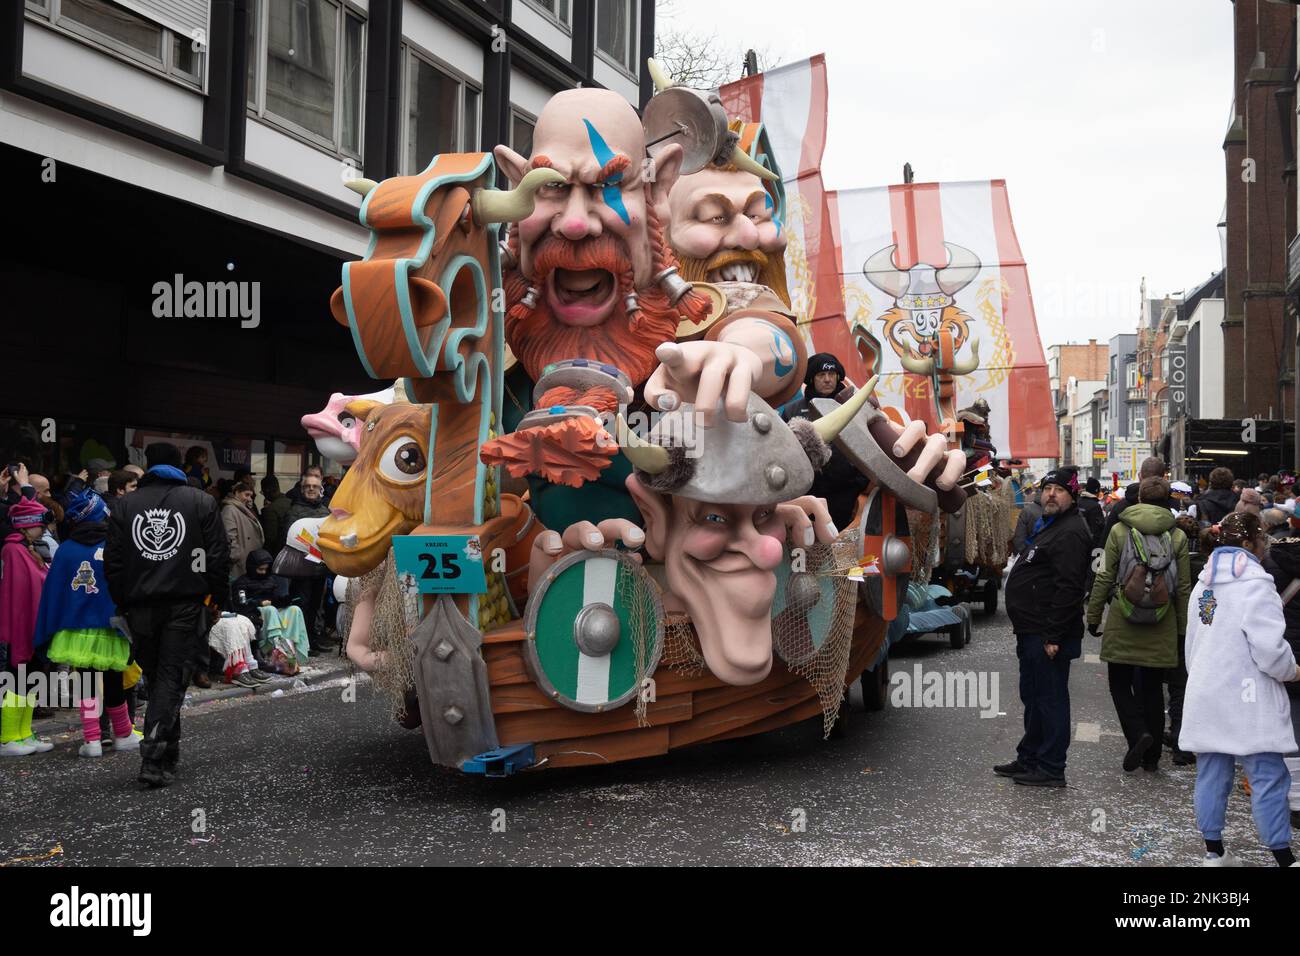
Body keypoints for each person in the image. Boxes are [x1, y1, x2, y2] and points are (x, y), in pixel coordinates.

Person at [105, 442, 230, 788]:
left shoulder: (124, 505)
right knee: (171, 678)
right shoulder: (201, 501)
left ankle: (166, 752)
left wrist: (123, 604)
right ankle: (154, 755)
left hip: (140, 607)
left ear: (149, 466)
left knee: (161, 677)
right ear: (178, 466)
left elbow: (113, 565)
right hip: (186, 605)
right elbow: (218, 557)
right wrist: (219, 598)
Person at [1180, 512, 1300, 867]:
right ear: (1250, 544)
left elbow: (1193, 643)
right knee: (1266, 773)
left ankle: (1214, 852)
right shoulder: (1256, 585)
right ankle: (1284, 858)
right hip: (1249, 697)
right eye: (1262, 540)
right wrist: (1291, 670)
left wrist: (1201, 677)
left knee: (1212, 772)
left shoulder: (1204, 584)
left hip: (1207, 689)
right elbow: (1269, 651)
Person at [997, 466, 1093, 787]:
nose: (1051, 494)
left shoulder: (1070, 531)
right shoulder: (1049, 525)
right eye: (1047, 488)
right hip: (1032, 629)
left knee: (1049, 699)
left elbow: (1069, 588)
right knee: (1034, 696)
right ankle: (1030, 756)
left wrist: (1054, 634)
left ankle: (1051, 767)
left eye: (1060, 490)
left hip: (1047, 633)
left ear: (1072, 495)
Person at [1087, 477, 1190, 773]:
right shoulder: (1178, 536)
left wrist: (1093, 615)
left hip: (1124, 617)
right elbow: (1182, 587)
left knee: (1119, 683)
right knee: (1153, 690)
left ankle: (1137, 733)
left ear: (1140, 497)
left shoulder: (1120, 530)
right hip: (1163, 619)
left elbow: (1104, 575)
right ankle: (1152, 756)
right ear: (1168, 500)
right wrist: (1182, 630)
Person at [32, 489, 137, 758]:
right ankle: (123, 734)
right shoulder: (116, 544)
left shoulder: (66, 549)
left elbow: (54, 592)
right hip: (110, 626)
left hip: (75, 629)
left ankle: (91, 739)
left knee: (87, 683)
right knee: (114, 680)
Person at [781, 352, 870, 529]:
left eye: (832, 374)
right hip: (809, 492)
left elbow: (868, 443)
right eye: (821, 375)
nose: (828, 379)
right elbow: (783, 452)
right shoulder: (792, 410)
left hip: (845, 492)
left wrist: (858, 483)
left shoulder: (852, 406)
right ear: (812, 379)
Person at [0, 496, 54, 756]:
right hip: (23, 627)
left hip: (35, 625)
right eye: (39, 524)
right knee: (18, 679)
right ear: (25, 524)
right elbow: (18, 596)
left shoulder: (30, 549)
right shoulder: (13, 550)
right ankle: (9, 737)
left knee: (32, 680)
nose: (43, 528)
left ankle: (24, 734)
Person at [233, 548, 309, 674]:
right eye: (260, 569)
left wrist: (286, 600)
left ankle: (290, 650)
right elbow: (241, 604)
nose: (263, 572)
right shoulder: (241, 583)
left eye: (265, 569)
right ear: (252, 567)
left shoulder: (270, 580)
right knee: (270, 609)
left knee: (294, 610)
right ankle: (277, 648)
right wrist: (259, 603)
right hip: (255, 614)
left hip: (272, 613)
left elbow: (275, 599)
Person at [286, 474, 330, 650]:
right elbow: (291, 538)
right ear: (302, 489)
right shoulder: (294, 511)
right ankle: (300, 643)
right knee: (301, 605)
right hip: (300, 567)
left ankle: (312, 640)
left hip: (320, 566)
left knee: (316, 605)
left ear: (321, 490)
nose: (311, 489)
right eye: (307, 486)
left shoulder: (326, 512)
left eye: (315, 486)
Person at [1102, 457, 1169, 542]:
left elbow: (1105, 543)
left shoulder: (1120, 508)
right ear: (1163, 477)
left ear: (1140, 476)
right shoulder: (1170, 507)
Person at [221, 480, 264, 579]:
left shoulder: (241, 509)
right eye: (246, 495)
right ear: (236, 493)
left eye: (251, 496)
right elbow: (229, 538)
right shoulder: (229, 510)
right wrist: (237, 556)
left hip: (247, 562)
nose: (249, 499)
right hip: (239, 565)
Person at [259, 475, 292, 556]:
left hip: (277, 553)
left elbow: (270, 538)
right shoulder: (292, 502)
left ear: (267, 491)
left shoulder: (270, 510)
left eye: (263, 492)